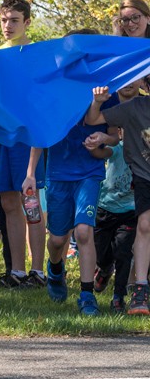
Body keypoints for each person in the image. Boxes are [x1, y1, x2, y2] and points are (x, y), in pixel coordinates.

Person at [22, 30, 115, 316]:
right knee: (58, 240)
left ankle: (86, 295)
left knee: (85, 232)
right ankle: (55, 268)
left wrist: (103, 139)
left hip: (90, 171)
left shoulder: (104, 88)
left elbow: (114, 134)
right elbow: (40, 133)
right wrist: (30, 173)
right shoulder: (54, 87)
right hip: (59, 173)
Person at [0, 0, 47, 288]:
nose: (8, 26)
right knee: (8, 202)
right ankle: (17, 271)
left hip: (27, 138)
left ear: (26, 22)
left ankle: (38, 271)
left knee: (30, 201)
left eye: (14, 21)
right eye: (3, 20)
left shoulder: (35, 55)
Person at [85, 83, 150, 315]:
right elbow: (93, 120)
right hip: (143, 177)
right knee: (145, 225)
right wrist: (98, 101)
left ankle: (133, 287)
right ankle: (140, 290)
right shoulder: (134, 108)